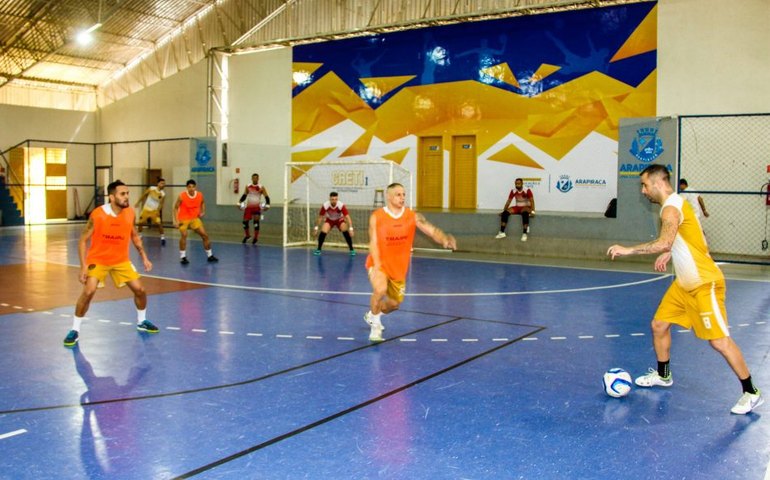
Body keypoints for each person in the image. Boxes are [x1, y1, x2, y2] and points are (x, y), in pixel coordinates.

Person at [607, 164, 762, 415]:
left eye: (644, 185)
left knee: (719, 341)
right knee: (659, 325)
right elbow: (691, 237)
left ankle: (751, 391)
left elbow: (665, 239)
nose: (643, 191)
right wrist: (671, 251)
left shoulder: (671, 207)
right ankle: (663, 375)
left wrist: (629, 249)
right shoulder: (678, 204)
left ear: (658, 183)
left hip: (704, 283)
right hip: (684, 284)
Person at [63, 180, 158, 347]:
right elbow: (82, 240)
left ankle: (142, 321)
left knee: (140, 290)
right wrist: (83, 266)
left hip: (121, 260)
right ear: (112, 197)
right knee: (89, 291)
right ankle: (75, 330)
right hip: (98, 260)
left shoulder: (129, 213)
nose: (127, 197)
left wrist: (144, 256)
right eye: (123, 194)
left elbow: (134, 235)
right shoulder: (98, 214)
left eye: (127, 193)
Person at [364, 183, 457, 342]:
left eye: (404, 194)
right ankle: (375, 327)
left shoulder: (412, 216)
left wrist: (444, 240)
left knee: (394, 304)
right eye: (398, 194)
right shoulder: (377, 216)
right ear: (389, 196)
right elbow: (373, 242)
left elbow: (431, 230)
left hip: (399, 269)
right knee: (380, 289)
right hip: (378, 263)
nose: (402, 198)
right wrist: (378, 265)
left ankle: (373, 314)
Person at [173, 179, 218, 265]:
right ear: (187, 187)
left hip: (194, 218)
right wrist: (176, 221)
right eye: (189, 187)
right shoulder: (182, 196)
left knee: (205, 235)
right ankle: (183, 257)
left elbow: (203, 203)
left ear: (195, 187)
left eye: (193, 187)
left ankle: (210, 256)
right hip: (183, 218)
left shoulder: (200, 195)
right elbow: (175, 208)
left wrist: (203, 211)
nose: (191, 188)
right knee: (184, 235)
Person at [313, 191, 355, 256]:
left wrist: (351, 229)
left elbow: (348, 217)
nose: (334, 201)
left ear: (337, 199)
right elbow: (320, 217)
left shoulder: (341, 205)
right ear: (329, 199)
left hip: (339, 220)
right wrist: (316, 228)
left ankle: (351, 249)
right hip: (329, 220)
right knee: (323, 231)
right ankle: (318, 249)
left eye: (336, 199)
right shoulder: (325, 205)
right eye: (332, 199)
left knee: (345, 230)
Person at [238, 173, 270, 244]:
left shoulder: (261, 187)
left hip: (256, 207)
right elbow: (244, 195)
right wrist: (239, 202)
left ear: (258, 179)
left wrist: (268, 205)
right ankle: (247, 235)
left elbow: (267, 197)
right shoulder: (248, 186)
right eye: (253, 178)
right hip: (249, 207)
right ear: (251, 178)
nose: (255, 179)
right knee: (244, 222)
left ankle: (255, 238)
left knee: (256, 223)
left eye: (256, 178)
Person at [135, 177, 167, 245]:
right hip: (146, 209)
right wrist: (138, 202)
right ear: (158, 184)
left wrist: (158, 211)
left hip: (154, 211)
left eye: (164, 183)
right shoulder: (151, 188)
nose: (163, 185)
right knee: (140, 222)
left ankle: (162, 237)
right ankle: (140, 235)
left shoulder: (163, 194)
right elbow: (144, 195)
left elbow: (161, 204)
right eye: (162, 183)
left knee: (159, 224)